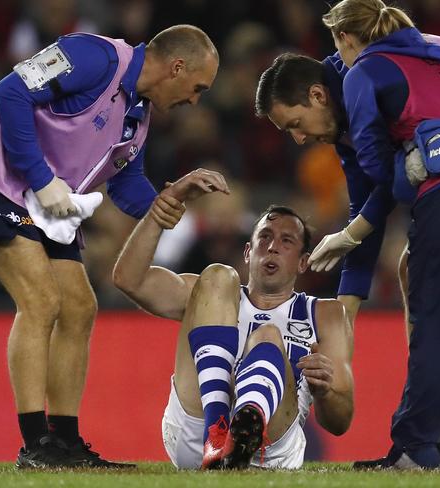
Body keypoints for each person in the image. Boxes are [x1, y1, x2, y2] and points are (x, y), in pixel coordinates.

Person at [256, 0, 440, 470]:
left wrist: (386, 196)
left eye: (294, 125)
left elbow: (382, 180)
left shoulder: (362, 77)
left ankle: (421, 442)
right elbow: (373, 195)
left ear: (318, 95)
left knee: (433, 299)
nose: (297, 139)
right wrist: (347, 304)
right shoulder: (389, 65)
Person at [0, 25, 219, 469]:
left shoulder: (138, 116)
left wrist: (169, 200)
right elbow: (9, 91)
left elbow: (127, 186)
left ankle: (64, 443)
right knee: (42, 301)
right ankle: (35, 447)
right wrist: (41, 177)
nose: (195, 100)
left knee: (79, 307)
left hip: (43, 200)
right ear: (177, 67)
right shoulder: (94, 56)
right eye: (198, 87)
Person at [113, 168, 354, 470]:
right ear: (248, 252)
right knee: (217, 275)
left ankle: (240, 434)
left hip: (272, 450)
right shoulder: (206, 293)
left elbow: (340, 421)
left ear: (303, 262)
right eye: (264, 237)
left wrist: (326, 392)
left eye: (287, 241)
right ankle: (217, 430)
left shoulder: (326, 314)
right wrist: (165, 204)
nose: (272, 246)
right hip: (193, 432)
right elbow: (128, 279)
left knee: (268, 337)